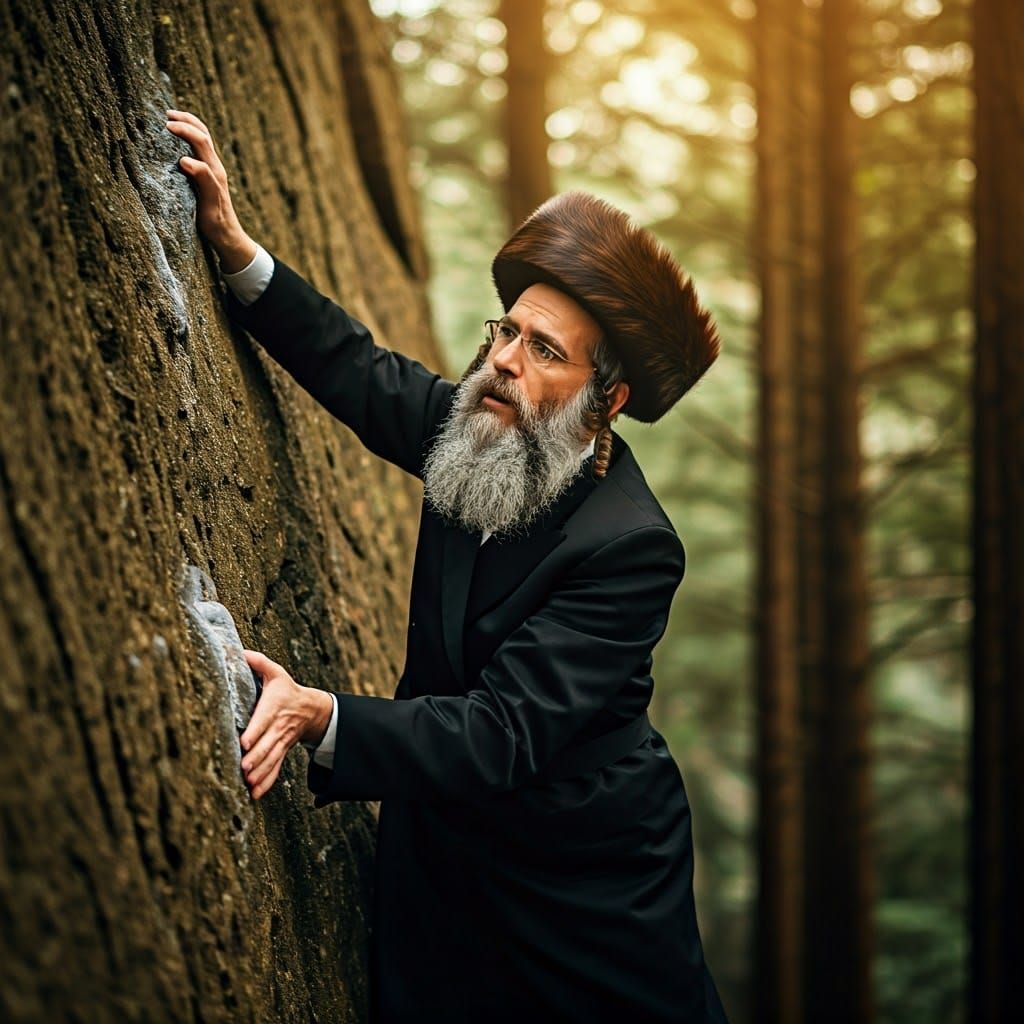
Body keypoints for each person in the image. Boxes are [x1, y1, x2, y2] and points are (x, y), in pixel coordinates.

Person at [167, 108, 729, 1023]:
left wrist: (323, 715)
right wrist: (234, 250)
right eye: (506, 330)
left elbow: (504, 731)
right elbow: (359, 373)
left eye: (543, 350)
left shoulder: (632, 548)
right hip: (442, 831)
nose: (502, 361)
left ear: (607, 400)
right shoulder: (486, 421)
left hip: (581, 877)